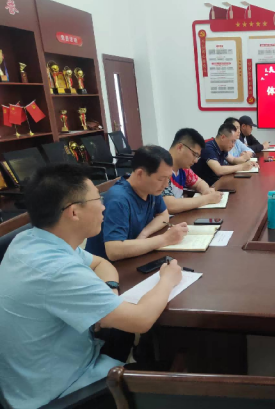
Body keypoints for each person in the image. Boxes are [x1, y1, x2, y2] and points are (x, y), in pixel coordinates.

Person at [0, 164, 183, 408]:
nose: (104, 206)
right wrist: (168, 279)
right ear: (74, 212)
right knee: (175, 373)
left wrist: (109, 290)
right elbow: (140, 319)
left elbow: (99, 263)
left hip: (62, 360)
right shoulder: (56, 269)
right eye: (98, 199)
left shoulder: (32, 240)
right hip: (62, 392)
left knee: (139, 337)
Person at [86, 146, 188, 261]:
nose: (165, 185)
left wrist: (144, 234)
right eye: (161, 179)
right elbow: (113, 250)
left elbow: (163, 215)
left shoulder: (151, 189)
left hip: (133, 257)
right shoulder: (118, 199)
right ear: (140, 174)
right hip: (106, 266)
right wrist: (164, 239)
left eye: (168, 178)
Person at [163, 128, 224, 214]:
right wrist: (207, 199)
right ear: (180, 147)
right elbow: (170, 205)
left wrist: (206, 190)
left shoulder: (184, 169)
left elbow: (199, 183)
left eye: (197, 157)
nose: (196, 161)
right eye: (195, 155)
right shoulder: (161, 168)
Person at [192, 123, 257, 186]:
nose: (233, 145)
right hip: (204, 186)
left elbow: (233, 160)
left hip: (216, 182)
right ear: (223, 137)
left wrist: (249, 162)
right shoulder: (209, 147)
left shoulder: (222, 148)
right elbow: (218, 170)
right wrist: (242, 167)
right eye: (232, 141)